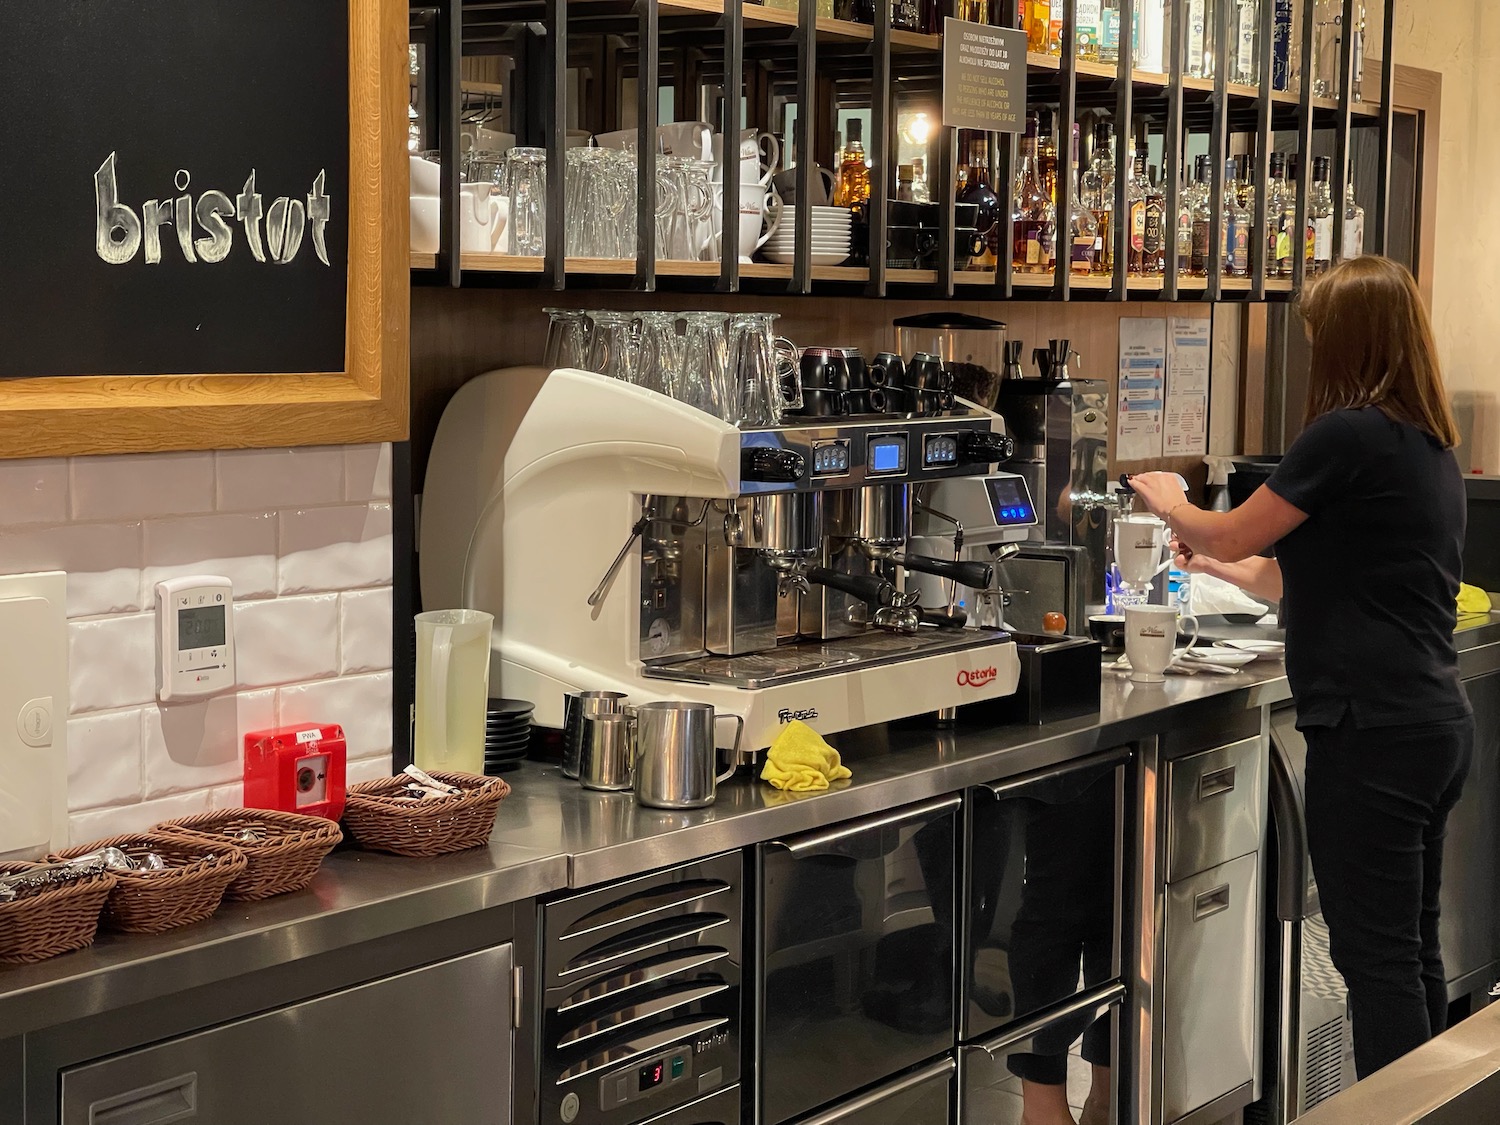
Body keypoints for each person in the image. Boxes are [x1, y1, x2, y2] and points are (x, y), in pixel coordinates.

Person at [1130, 255, 1472, 1080]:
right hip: (1429, 723)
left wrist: (1172, 499)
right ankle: (1429, 1104)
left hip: (1372, 732)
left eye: (1318, 330)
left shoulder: (1346, 432)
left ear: (1347, 339)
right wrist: (1209, 565)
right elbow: (1291, 571)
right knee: (1409, 949)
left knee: (1374, 960)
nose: (1311, 343)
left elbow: (1235, 530)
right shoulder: (1424, 442)